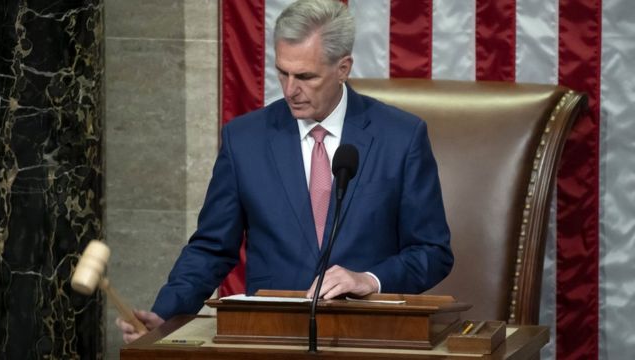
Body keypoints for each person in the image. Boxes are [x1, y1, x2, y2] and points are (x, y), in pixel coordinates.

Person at [117, 0, 453, 343]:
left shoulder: (400, 137)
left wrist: (369, 279)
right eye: (283, 72)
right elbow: (211, 248)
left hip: (369, 335)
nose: (290, 89)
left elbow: (432, 251)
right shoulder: (245, 139)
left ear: (343, 68)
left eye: (306, 76)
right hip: (271, 336)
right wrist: (165, 314)